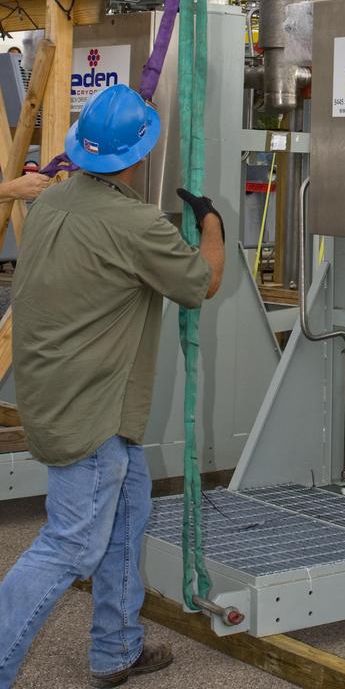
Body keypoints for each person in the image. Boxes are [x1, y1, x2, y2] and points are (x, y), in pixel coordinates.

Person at [0, 84, 226, 688]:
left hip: (60, 391)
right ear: (139, 155)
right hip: (90, 407)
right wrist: (211, 221)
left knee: (128, 513)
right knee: (70, 545)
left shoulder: (51, 201)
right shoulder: (135, 223)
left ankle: (115, 650)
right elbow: (202, 281)